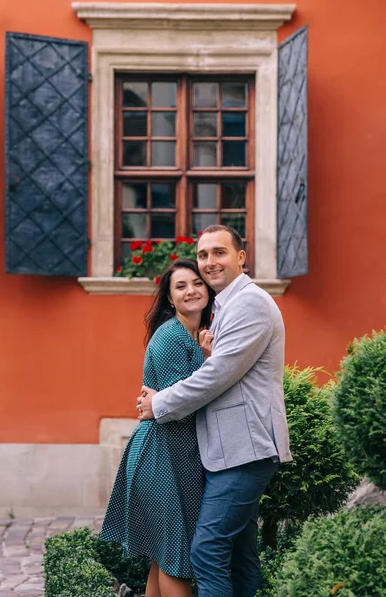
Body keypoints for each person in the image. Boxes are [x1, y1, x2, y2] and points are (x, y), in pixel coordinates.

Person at [138, 225, 292, 597]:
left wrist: (158, 403)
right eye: (204, 254)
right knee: (240, 556)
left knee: (207, 552)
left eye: (219, 252)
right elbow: (226, 369)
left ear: (241, 257)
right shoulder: (225, 305)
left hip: (245, 448)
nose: (209, 262)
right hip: (230, 450)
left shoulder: (250, 303)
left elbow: (216, 377)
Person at [100, 258, 215, 597]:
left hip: (178, 456)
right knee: (176, 558)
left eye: (196, 283)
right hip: (160, 456)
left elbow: (181, 396)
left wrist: (207, 363)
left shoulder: (198, 335)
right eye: (181, 286)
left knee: (164, 557)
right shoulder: (170, 337)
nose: (191, 291)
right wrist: (207, 369)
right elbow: (177, 409)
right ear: (169, 298)